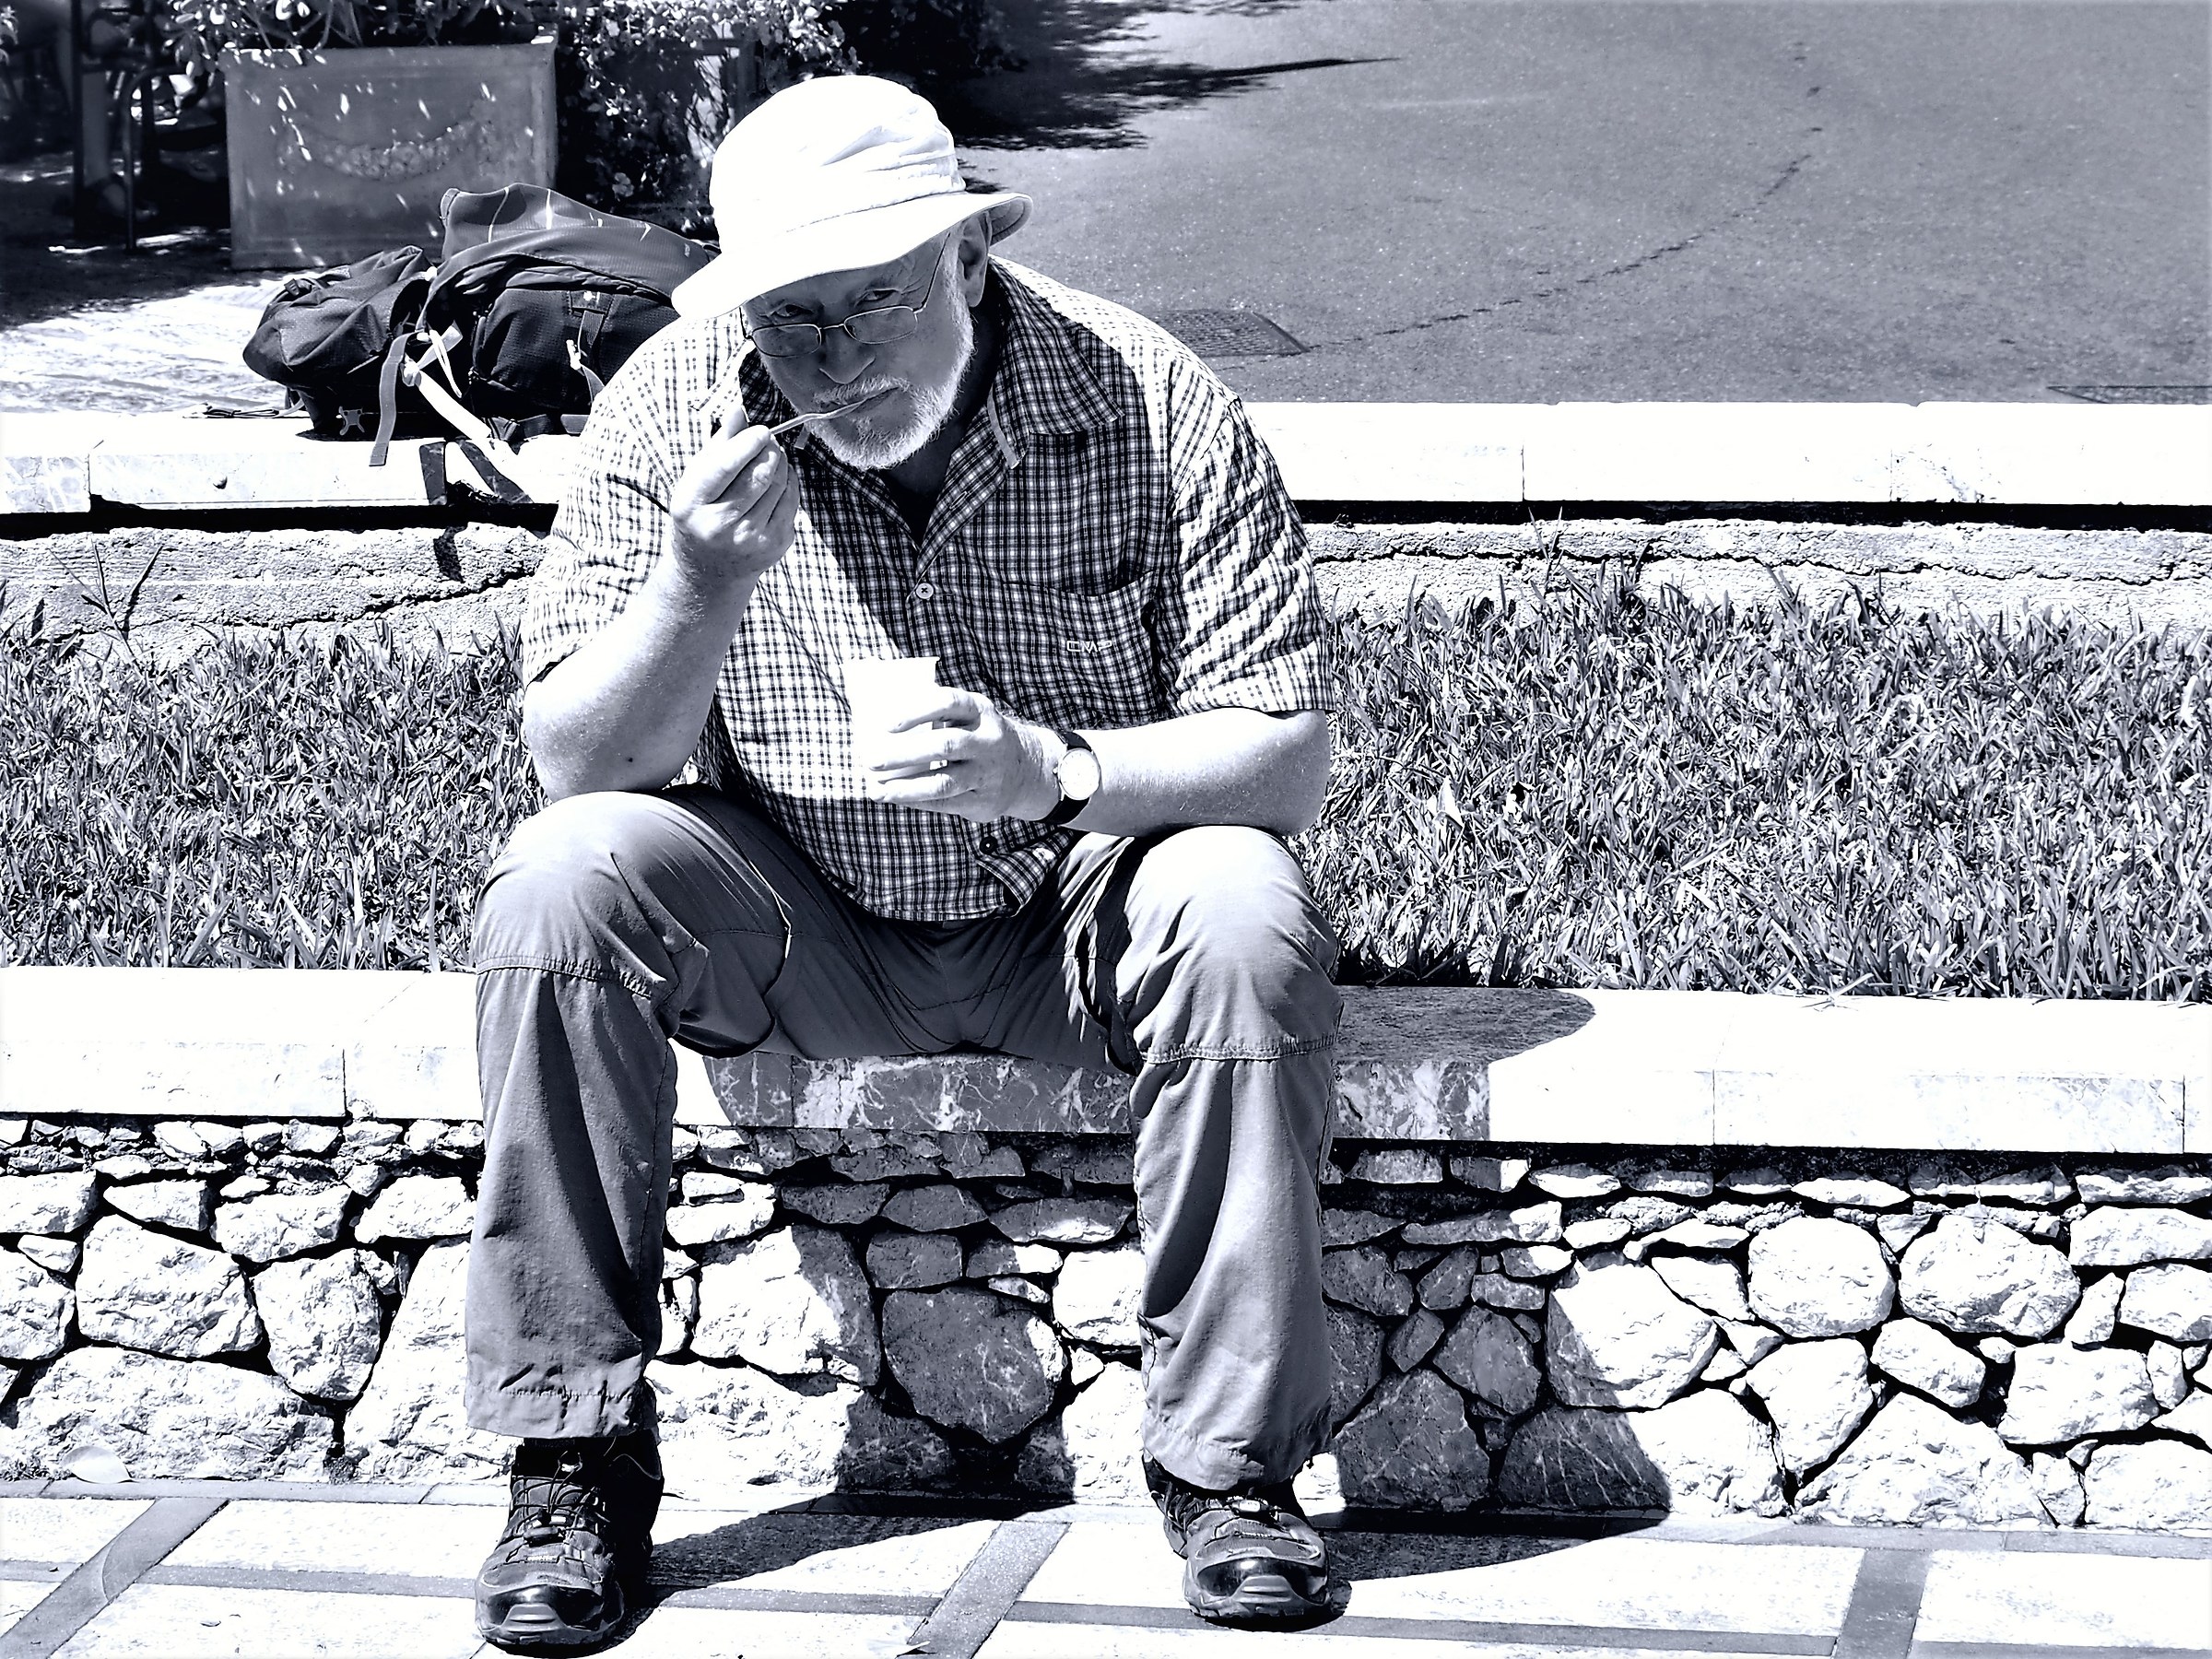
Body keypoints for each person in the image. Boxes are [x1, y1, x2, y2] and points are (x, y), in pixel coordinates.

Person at [465, 72, 1344, 1650]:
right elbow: (578, 763)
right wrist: (694, 590)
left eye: (871, 304)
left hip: (1076, 904)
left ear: (969, 255)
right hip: (789, 903)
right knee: (558, 881)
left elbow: (1284, 748)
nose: (835, 358)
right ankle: (572, 1453)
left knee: (1241, 903)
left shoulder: (1147, 394)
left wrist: (1057, 770)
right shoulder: (676, 405)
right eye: (794, 321)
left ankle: (1229, 1476)